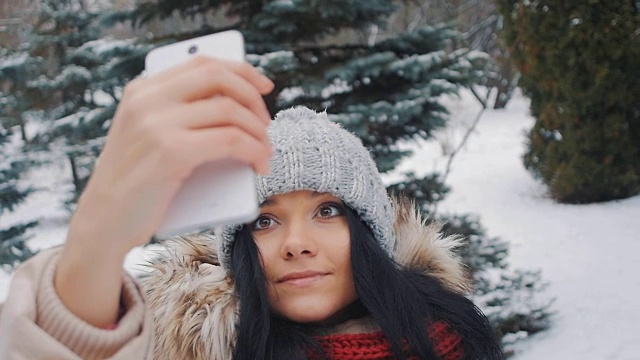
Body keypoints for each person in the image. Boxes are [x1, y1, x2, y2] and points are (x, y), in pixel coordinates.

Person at [0, 56, 505, 360]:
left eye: (328, 210)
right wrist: (100, 227)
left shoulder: (453, 341)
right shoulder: (187, 348)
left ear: (369, 231)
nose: (297, 243)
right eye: (264, 220)